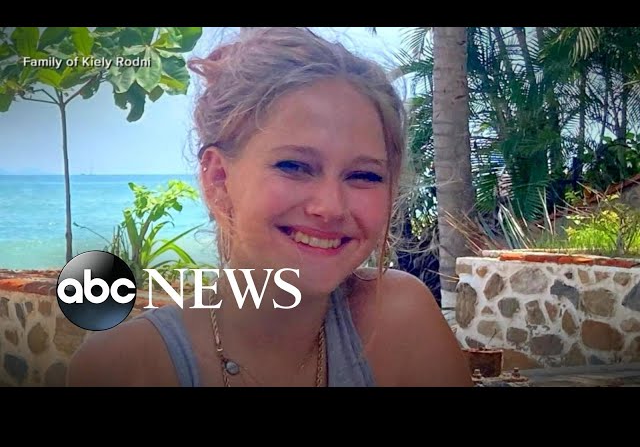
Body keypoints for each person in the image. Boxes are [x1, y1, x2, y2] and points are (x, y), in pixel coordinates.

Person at [66, 27, 473, 387]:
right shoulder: (126, 367)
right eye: (294, 166)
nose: (330, 206)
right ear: (218, 179)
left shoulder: (399, 323)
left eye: (363, 175)